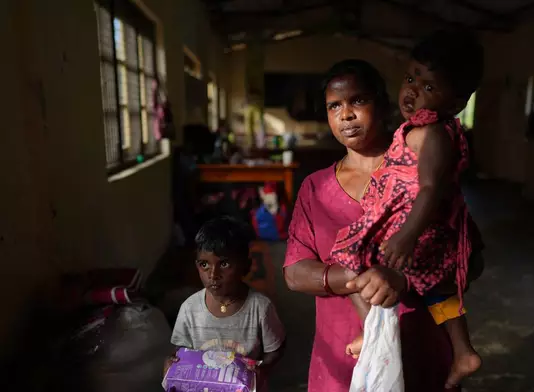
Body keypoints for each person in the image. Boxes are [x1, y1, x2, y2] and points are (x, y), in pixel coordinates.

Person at [284, 59, 455, 392]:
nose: (346, 114)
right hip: (340, 357)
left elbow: (465, 258)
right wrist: (356, 278)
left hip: (418, 348)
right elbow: (294, 273)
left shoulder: (419, 167)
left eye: (358, 101)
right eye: (334, 105)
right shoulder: (314, 188)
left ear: (382, 104)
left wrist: (401, 279)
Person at [331, 30, 485, 389]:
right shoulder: (420, 129)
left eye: (429, 87)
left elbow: (430, 187)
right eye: (411, 78)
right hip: (422, 229)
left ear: (458, 101)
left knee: (348, 257)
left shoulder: (433, 134)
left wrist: (407, 235)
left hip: (419, 230)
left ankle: (374, 334)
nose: (413, 91)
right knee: (437, 289)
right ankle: (463, 351)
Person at [166, 216, 286, 390]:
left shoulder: (260, 308)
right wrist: (172, 364)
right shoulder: (189, 309)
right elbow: (180, 352)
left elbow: (276, 348)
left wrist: (262, 370)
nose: (213, 274)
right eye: (204, 264)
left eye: (224, 263)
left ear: (246, 266)